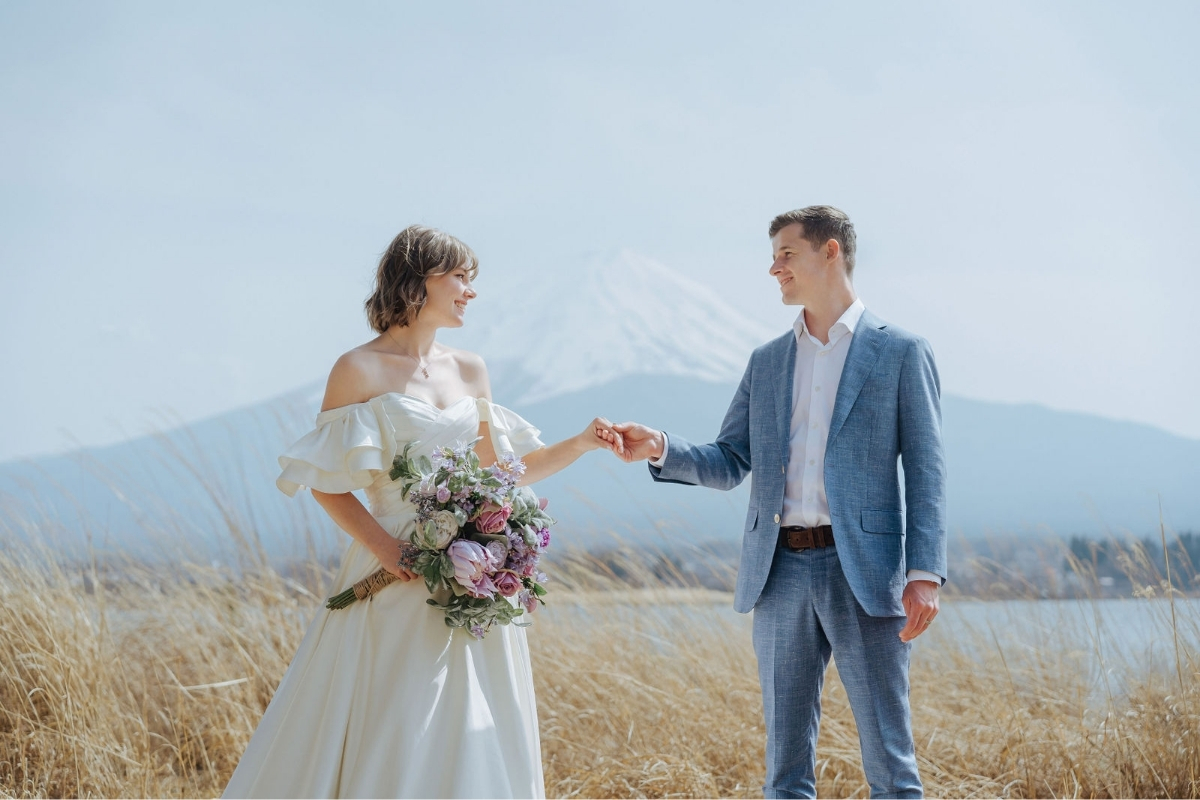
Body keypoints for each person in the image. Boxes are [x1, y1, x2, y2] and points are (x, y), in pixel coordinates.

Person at [223, 225, 622, 799]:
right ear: (419, 280)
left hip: (473, 577)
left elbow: (500, 475)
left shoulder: (471, 370)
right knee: (398, 716)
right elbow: (327, 484)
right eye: (460, 276)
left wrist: (581, 443)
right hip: (392, 576)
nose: (471, 291)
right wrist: (389, 550)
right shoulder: (358, 368)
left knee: (473, 720)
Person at [604, 206, 947, 799]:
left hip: (864, 572)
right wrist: (660, 447)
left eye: (786, 254)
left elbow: (926, 468)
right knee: (785, 770)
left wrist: (925, 574)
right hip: (778, 572)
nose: (773, 269)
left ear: (830, 251)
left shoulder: (901, 352)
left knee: (891, 763)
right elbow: (730, 459)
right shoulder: (766, 362)